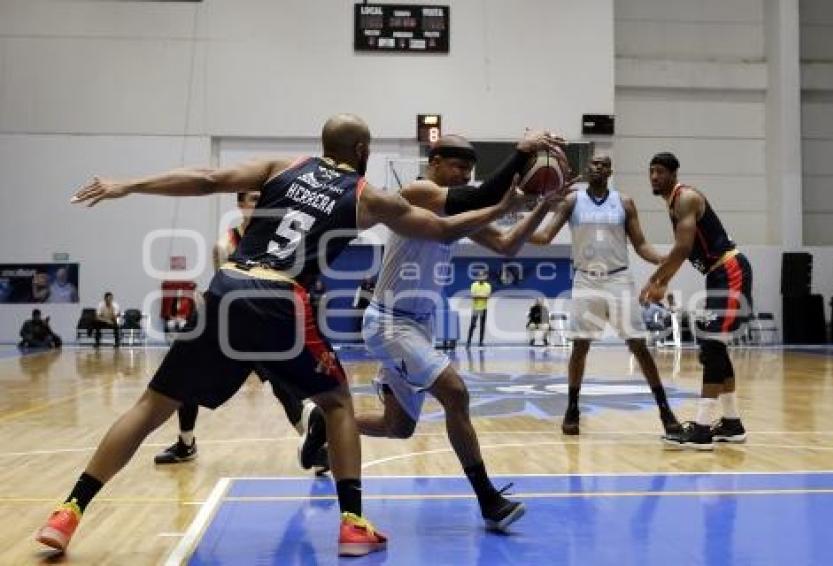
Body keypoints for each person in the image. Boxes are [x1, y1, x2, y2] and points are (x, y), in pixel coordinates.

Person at [36, 113, 522, 557]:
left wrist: (127, 184)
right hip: (281, 300)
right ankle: (353, 525)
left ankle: (68, 511)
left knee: (150, 407)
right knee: (336, 405)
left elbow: (207, 179)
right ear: (362, 151)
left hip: (227, 290)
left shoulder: (280, 165)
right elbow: (442, 229)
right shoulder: (365, 194)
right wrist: (508, 202)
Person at [351, 132, 567, 531]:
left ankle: (323, 423)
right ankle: (488, 500)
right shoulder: (418, 191)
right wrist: (519, 157)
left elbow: (506, 244)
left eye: (470, 170)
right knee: (456, 392)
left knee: (398, 427)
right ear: (433, 162)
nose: (465, 176)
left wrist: (543, 207)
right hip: (389, 322)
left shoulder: (458, 209)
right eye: (458, 167)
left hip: (417, 326)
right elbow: (464, 217)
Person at [154, 191, 328, 476]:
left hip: (265, 319)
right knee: (184, 376)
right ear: (240, 205)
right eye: (251, 198)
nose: (258, 203)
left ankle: (313, 442)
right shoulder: (225, 244)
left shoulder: (282, 242)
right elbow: (225, 290)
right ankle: (186, 443)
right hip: (228, 321)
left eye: (263, 197)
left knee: (282, 384)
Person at [531, 154, 680, 436]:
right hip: (586, 279)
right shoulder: (572, 201)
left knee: (639, 345)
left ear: (610, 170)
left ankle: (665, 410)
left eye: (602, 165)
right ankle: (572, 407)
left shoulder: (624, 202)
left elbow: (641, 245)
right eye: (593, 164)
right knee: (580, 346)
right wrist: (516, 231)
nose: (597, 168)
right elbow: (545, 236)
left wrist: (664, 259)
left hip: (619, 278)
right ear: (587, 170)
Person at [641, 152, 752, 450]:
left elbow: (682, 248)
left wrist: (658, 281)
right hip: (717, 276)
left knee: (712, 347)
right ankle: (731, 423)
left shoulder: (685, 198)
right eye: (651, 171)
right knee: (715, 347)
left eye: (660, 171)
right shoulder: (673, 204)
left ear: (674, 174)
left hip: (730, 271)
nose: (654, 177)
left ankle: (702, 428)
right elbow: (681, 251)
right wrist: (660, 275)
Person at [466, 274, 491, 347]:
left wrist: (478, 295)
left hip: (484, 308)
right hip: (476, 308)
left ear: (485, 277)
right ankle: (468, 342)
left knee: (482, 326)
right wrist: (482, 296)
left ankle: (481, 342)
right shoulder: (474, 285)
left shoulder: (488, 286)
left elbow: (487, 296)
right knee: (472, 325)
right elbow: (473, 296)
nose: (481, 278)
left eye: (483, 276)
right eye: (480, 276)